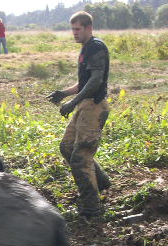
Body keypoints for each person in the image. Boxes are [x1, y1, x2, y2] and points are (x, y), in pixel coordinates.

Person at [46, 11, 111, 219]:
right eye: (72, 29)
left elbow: (96, 81)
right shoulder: (86, 48)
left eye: (77, 29)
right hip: (85, 104)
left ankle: (92, 209)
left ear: (88, 28)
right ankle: (100, 182)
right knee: (66, 147)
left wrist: (73, 102)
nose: (74, 33)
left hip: (94, 107)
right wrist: (64, 93)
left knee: (80, 159)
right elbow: (85, 82)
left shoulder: (96, 48)